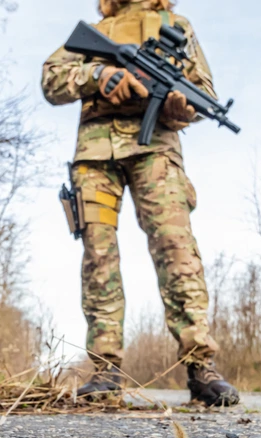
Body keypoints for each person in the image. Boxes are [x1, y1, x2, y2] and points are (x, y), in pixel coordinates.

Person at [41, 0, 239, 406]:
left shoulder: (174, 25)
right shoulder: (101, 30)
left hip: (157, 151)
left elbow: (203, 92)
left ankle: (201, 366)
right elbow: (51, 79)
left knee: (176, 249)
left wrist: (180, 107)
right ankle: (105, 368)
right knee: (99, 256)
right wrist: (101, 74)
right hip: (95, 154)